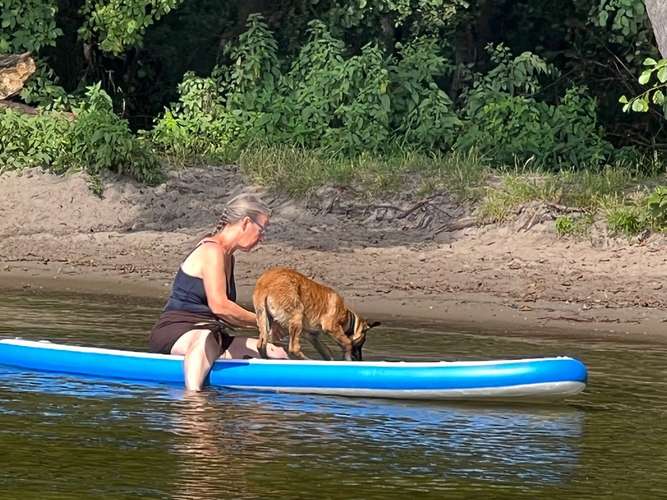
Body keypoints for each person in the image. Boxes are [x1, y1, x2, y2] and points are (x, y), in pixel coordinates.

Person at [149, 193, 287, 391]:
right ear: (246, 223)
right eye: (262, 229)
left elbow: (228, 315)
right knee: (204, 338)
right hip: (176, 333)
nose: (262, 238)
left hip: (214, 336)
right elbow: (220, 306)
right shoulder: (211, 251)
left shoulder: (228, 256)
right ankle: (193, 402)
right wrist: (263, 321)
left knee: (275, 353)